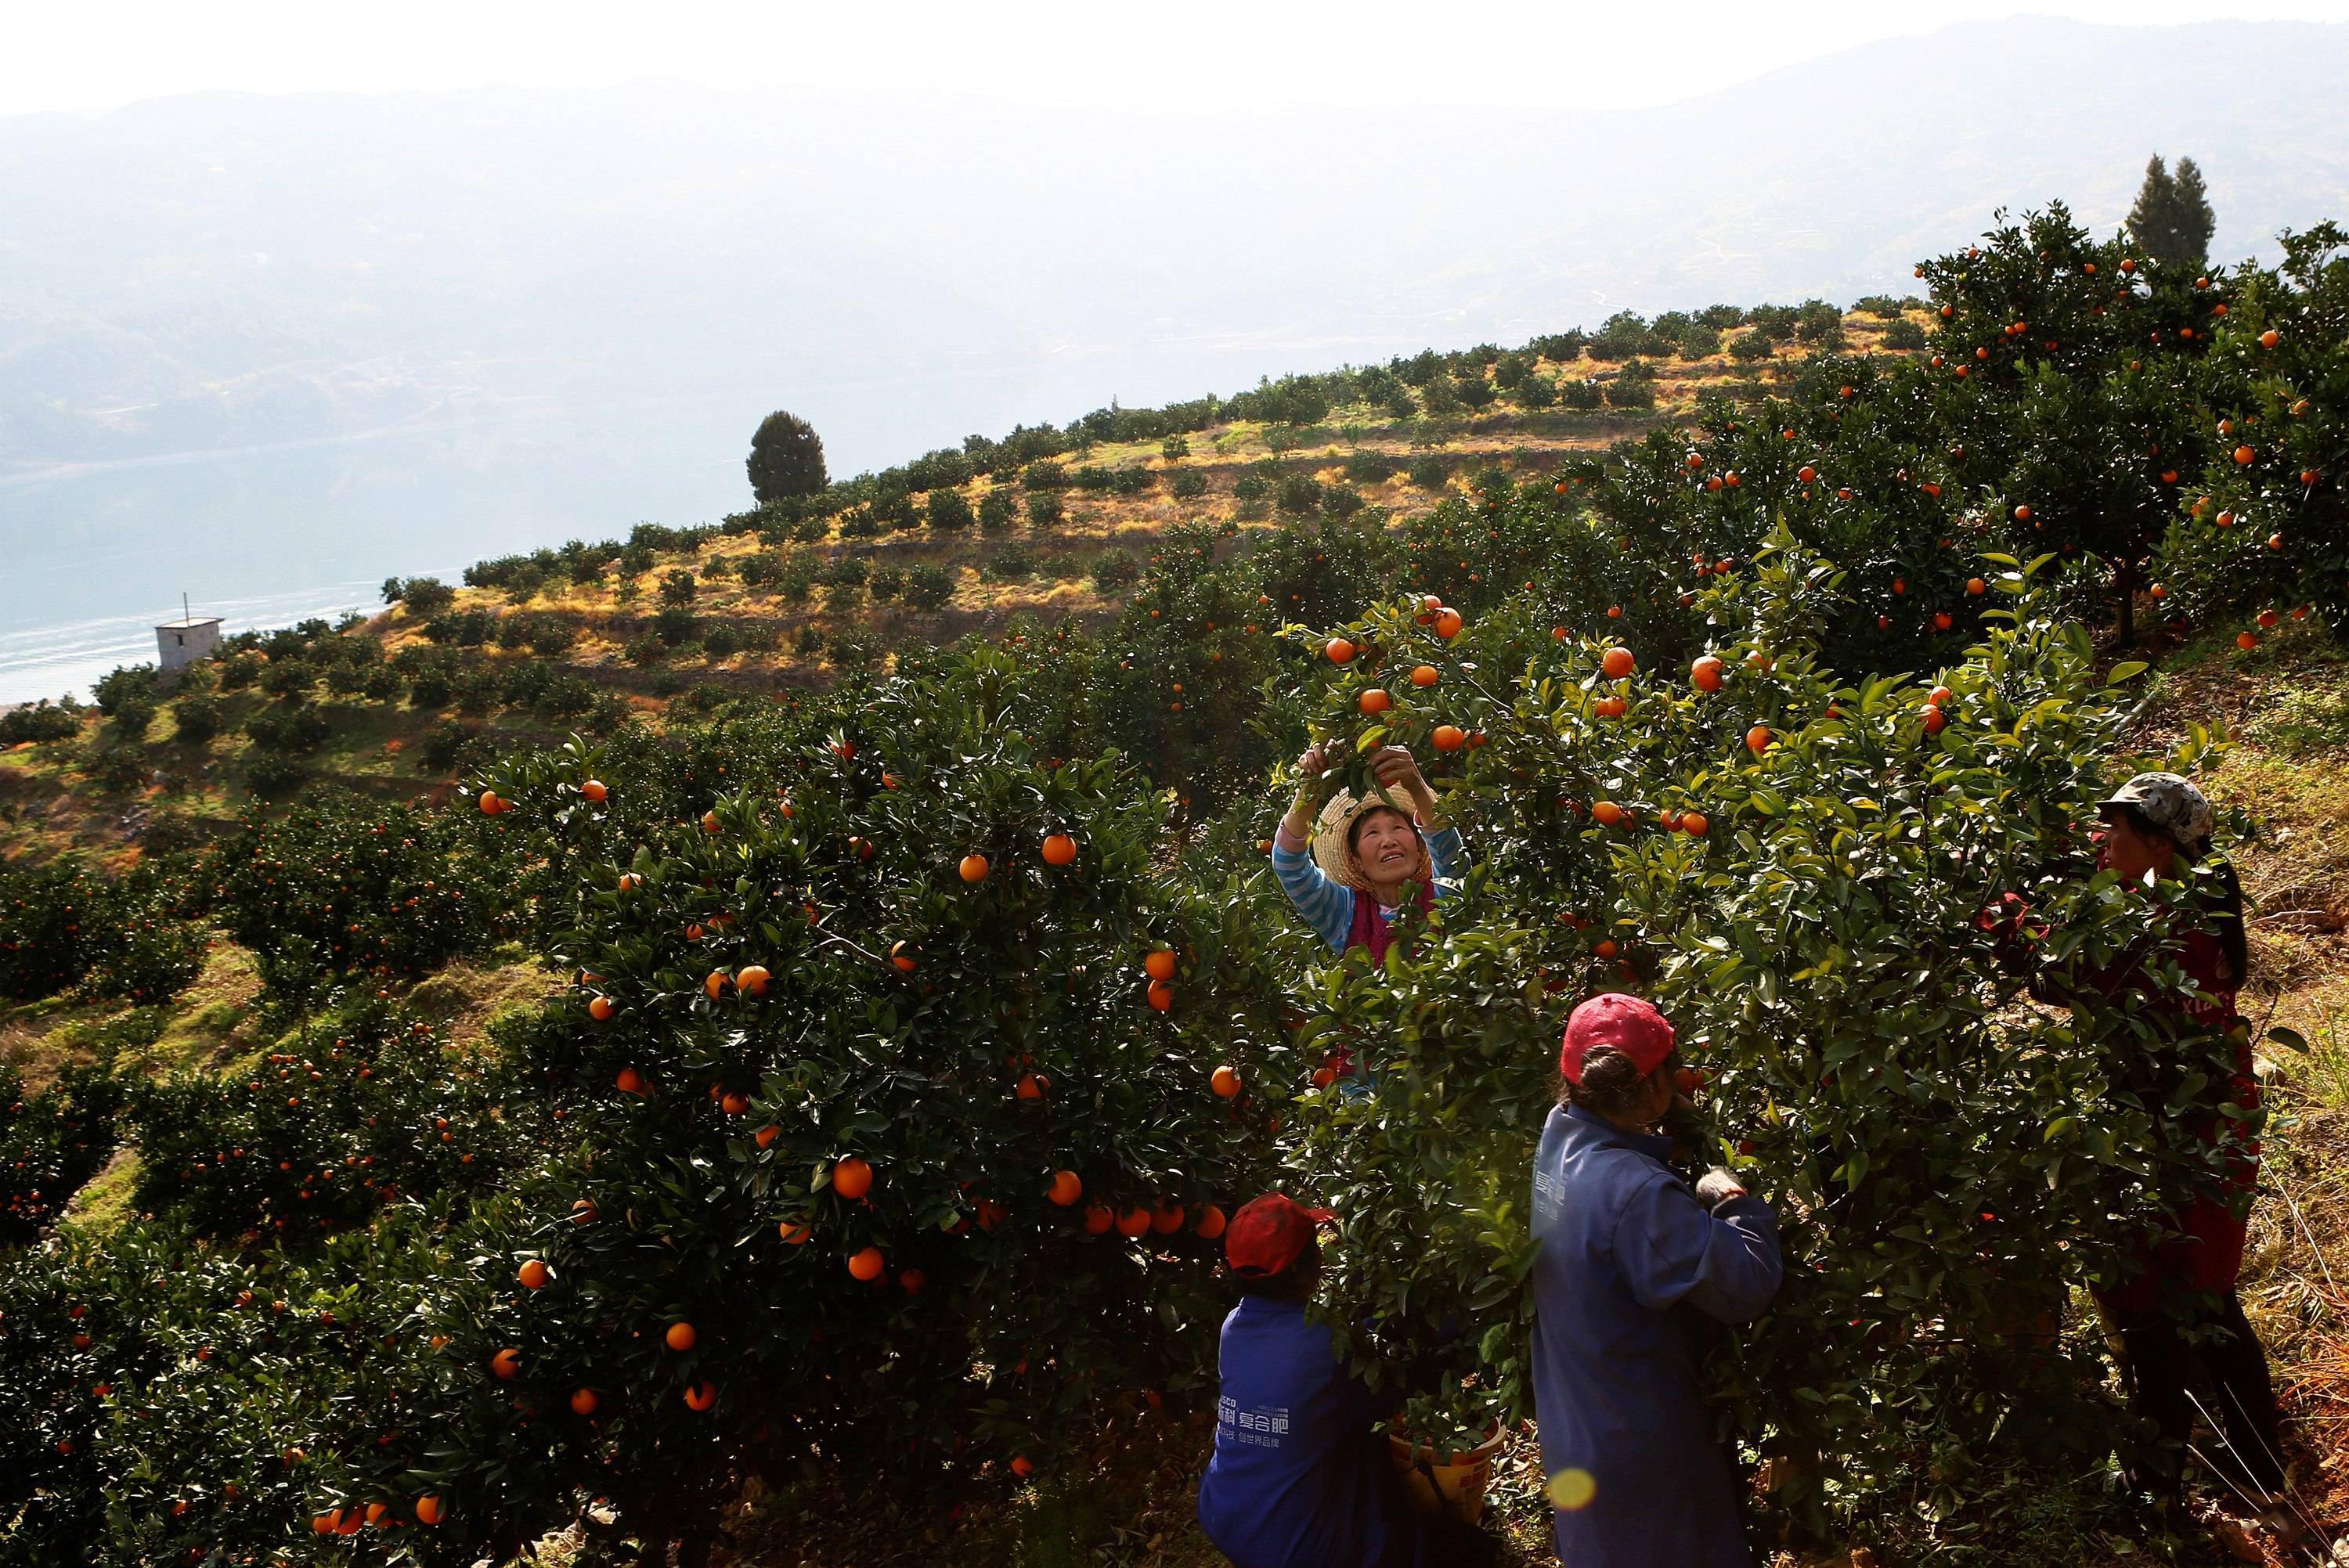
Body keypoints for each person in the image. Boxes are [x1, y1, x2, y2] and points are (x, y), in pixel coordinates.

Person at [1997, 773, 2291, 1514]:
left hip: (2192, 1131)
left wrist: (2005, 919)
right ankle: (2233, 1465)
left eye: (2117, 831)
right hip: (2173, 1123)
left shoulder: (2162, 926)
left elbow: (2061, 975)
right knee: (2179, 1291)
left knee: (2180, 1298)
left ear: (2161, 845)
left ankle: (2185, 1477)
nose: (2102, 841)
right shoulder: (2172, 903)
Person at [1529, 993, 1783, 1568]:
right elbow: (1744, 1286)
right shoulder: (1637, 1192)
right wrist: (1735, 1203)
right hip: (1641, 1444)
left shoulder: (1559, 1133)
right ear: (1648, 1087)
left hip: (1580, 1418)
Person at [1195, 1194, 1423, 1568]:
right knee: (1368, 1444)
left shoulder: (1233, 1327)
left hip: (1224, 1514)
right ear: (1304, 1267)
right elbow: (1396, 1385)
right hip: (1294, 1550)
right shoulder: (1327, 1341)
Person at [1273, 743, 1463, 965]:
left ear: (1421, 848)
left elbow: (1447, 843)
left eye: (1398, 828)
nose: (1388, 841)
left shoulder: (1445, 892)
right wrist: (1310, 785)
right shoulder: (1345, 913)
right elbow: (1289, 865)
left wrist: (1415, 785)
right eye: (1372, 833)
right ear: (1357, 861)